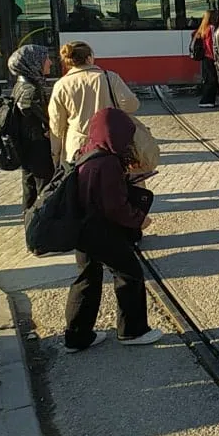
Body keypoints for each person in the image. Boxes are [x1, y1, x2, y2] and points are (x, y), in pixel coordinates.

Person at [65, 107, 162, 352]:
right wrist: (139, 219)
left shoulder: (85, 151)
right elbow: (114, 206)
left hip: (81, 228)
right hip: (101, 229)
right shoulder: (107, 162)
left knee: (86, 278)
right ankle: (133, 331)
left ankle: (77, 336)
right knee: (129, 273)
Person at [48, 41, 139, 166]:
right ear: (89, 58)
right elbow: (131, 105)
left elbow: (57, 125)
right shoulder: (110, 78)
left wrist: (55, 153)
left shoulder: (61, 85)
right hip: (110, 144)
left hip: (77, 149)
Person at [8, 45, 54, 212]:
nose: (49, 62)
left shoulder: (21, 85)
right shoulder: (31, 90)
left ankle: (32, 225)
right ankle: (41, 227)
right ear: (33, 63)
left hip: (28, 146)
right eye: (45, 59)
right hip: (38, 147)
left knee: (30, 187)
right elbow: (42, 122)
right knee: (43, 189)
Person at [193, 10, 218, 108]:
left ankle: (207, 100)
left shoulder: (202, 28)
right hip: (210, 57)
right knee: (212, 80)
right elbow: (211, 44)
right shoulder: (211, 28)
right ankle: (207, 100)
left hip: (204, 57)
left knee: (208, 79)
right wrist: (215, 57)